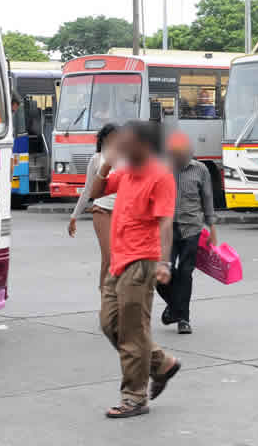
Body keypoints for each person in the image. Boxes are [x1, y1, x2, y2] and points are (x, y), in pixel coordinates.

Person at [83, 120, 182, 419]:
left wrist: (164, 263)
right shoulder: (126, 171)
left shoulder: (160, 176)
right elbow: (96, 192)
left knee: (131, 333)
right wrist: (106, 164)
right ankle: (161, 362)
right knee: (109, 323)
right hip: (119, 260)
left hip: (141, 262)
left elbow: (165, 222)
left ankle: (134, 398)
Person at [157, 131, 216, 335]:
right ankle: (175, 307)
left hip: (192, 228)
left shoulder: (201, 170)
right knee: (162, 274)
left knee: (185, 273)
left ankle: (183, 319)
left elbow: (207, 199)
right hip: (167, 228)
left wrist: (212, 229)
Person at [68, 123, 120, 290]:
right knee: (109, 257)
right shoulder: (97, 158)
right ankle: (105, 297)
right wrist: (74, 217)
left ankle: (115, 297)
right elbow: (87, 191)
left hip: (123, 213)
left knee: (121, 258)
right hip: (101, 211)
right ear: (104, 138)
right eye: (112, 136)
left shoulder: (127, 157)